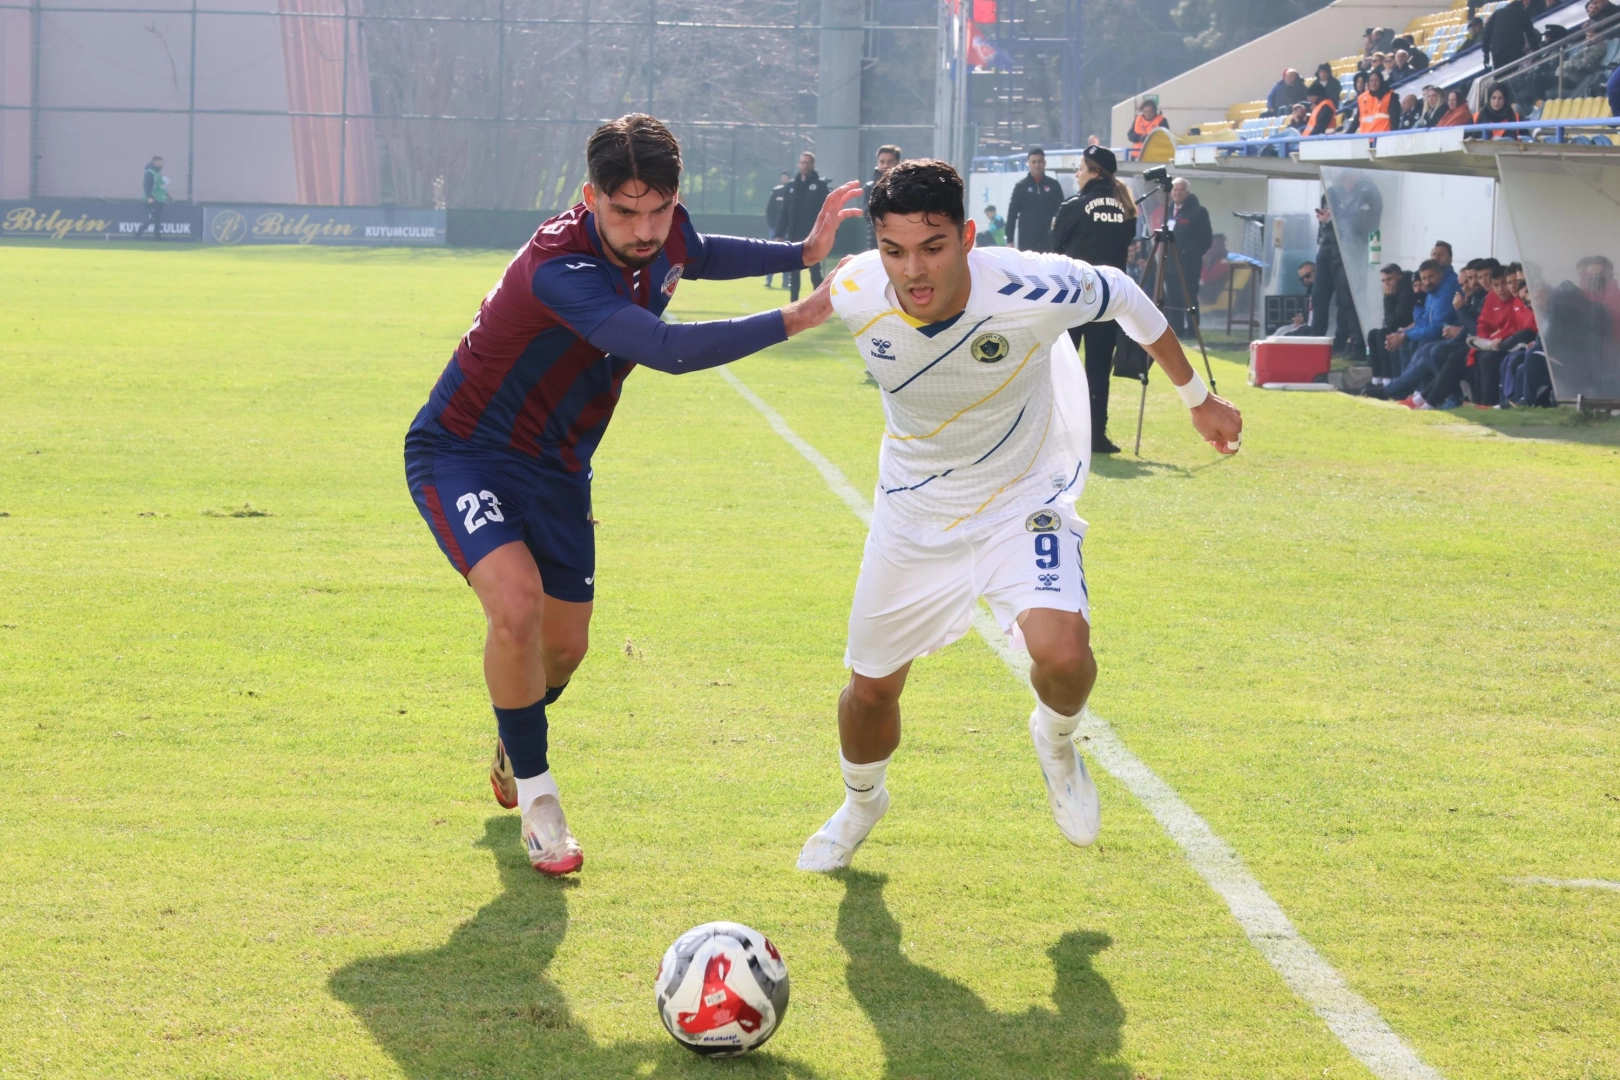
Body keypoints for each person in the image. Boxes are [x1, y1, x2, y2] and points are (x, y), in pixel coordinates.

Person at [402, 114, 862, 876]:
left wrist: (803, 253)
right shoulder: (559, 267)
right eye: (624, 212)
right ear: (591, 198)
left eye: (659, 209)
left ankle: (515, 734)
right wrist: (802, 313)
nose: (645, 230)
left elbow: (700, 253)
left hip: (559, 467)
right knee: (515, 605)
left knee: (564, 650)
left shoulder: (666, 230)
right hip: (465, 452)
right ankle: (542, 804)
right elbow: (667, 350)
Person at [797, 158, 1242, 872]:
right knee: (871, 690)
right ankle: (861, 803)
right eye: (894, 250)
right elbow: (793, 318)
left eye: (933, 247)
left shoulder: (1029, 285)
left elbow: (1126, 293)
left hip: (1021, 499)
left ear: (968, 237)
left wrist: (1199, 399)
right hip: (913, 514)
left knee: (1065, 656)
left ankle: (1056, 742)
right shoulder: (856, 286)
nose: (913, 269)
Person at [1052, 143, 1138, 454]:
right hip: (1108, 299)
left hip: (1073, 298)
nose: (1077, 174)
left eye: (1081, 169)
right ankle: (1096, 435)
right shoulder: (1127, 210)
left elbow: (1056, 249)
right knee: (1099, 370)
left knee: (1062, 366)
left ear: (1095, 173)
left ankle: (1059, 434)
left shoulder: (1073, 206)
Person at [1158, 177, 1212, 337]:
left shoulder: (1198, 212)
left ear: (1187, 193)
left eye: (1181, 190)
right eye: (1175, 190)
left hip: (1189, 265)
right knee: (1172, 298)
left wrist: (1190, 253)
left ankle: (1192, 331)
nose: (1177, 193)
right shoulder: (1168, 211)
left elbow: (1206, 239)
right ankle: (1176, 330)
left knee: (1189, 297)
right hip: (1170, 264)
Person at [781, 151, 833, 301]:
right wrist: (779, 233)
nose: (804, 166)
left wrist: (826, 233)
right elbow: (784, 212)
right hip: (794, 234)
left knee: (815, 271)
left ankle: (819, 302)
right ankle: (793, 303)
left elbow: (827, 212)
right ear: (799, 164)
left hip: (813, 235)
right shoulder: (791, 186)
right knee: (794, 271)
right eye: (802, 163)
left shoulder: (820, 186)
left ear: (813, 165)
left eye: (807, 163)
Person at [1004, 148, 1064, 252]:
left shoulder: (1054, 185)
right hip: (1027, 242)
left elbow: (1062, 213)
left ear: (1044, 163)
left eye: (1040, 162)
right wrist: (1010, 240)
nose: (1037, 165)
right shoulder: (1021, 186)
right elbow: (1012, 214)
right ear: (1028, 163)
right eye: (1034, 162)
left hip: (1049, 242)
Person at [1365, 263, 1416, 380]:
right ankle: (1377, 379)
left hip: (1409, 328)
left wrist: (1388, 298)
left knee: (1383, 335)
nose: (1386, 284)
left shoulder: (1407, 291)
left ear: (1400, 277)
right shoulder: (1396, 291)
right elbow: (1390, 320)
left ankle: (1388, 380)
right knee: (1372, 334)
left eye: (1389, 279)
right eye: (1383, 281)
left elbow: (1393, 322)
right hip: (1399, 327)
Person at [1484, 0, 1541, 74]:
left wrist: (1486, 55)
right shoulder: (1522, 13)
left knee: (1500, 75)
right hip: (1514, 50)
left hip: (1497, 51)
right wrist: (1537, 53)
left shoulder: (1498, 13)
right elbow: (1531, 35)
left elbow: (1486, 35)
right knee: (1513, 74)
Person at [864, 144, 903, 250]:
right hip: (876, 240)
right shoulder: (870, 187)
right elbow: (867, 214)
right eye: (882, 162)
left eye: (890, 161)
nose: (885, 165)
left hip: (900, 238)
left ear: (897, 162)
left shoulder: (904, 186)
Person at [764, 170, 791, 288]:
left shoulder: (794, 192)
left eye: (786, 177)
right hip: (775, 228)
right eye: (783, 177)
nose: (784, 179)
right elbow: (769, 210)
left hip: (788, 229)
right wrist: (772, 225)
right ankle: (768, 280)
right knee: (772, 253)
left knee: (788, 255)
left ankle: (786, 281)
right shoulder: (776, 191)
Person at [141, 156, 168, 239]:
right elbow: (147, 186)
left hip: (160, 199)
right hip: (153, 199)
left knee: (157, 218)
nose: (162, 164)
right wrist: (149, 197)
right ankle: (139, 233)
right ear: (155, 162)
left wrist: (167, 195)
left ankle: (157, 236)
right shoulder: (149, 173)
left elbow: (162, 187)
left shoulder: (159, 174)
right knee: (154, 218)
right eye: (161, 162)